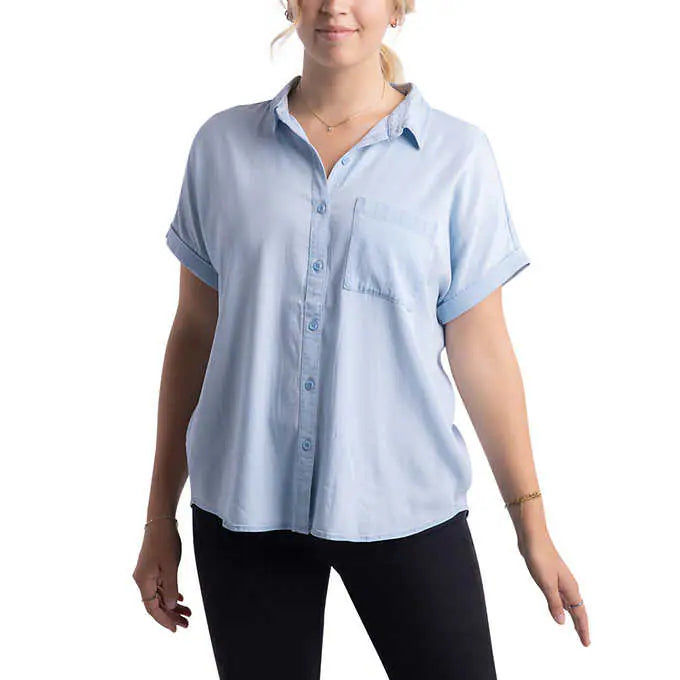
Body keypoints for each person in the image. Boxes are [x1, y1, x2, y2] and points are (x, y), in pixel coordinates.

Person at [132, 1, 590, 677]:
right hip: (242, 507)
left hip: (406, 505)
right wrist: (158, 519)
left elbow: (483, 352)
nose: (335, 5)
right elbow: (194, 334)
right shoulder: (221, 147)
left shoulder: (456, 157)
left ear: (399, 8)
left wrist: (533, 528)